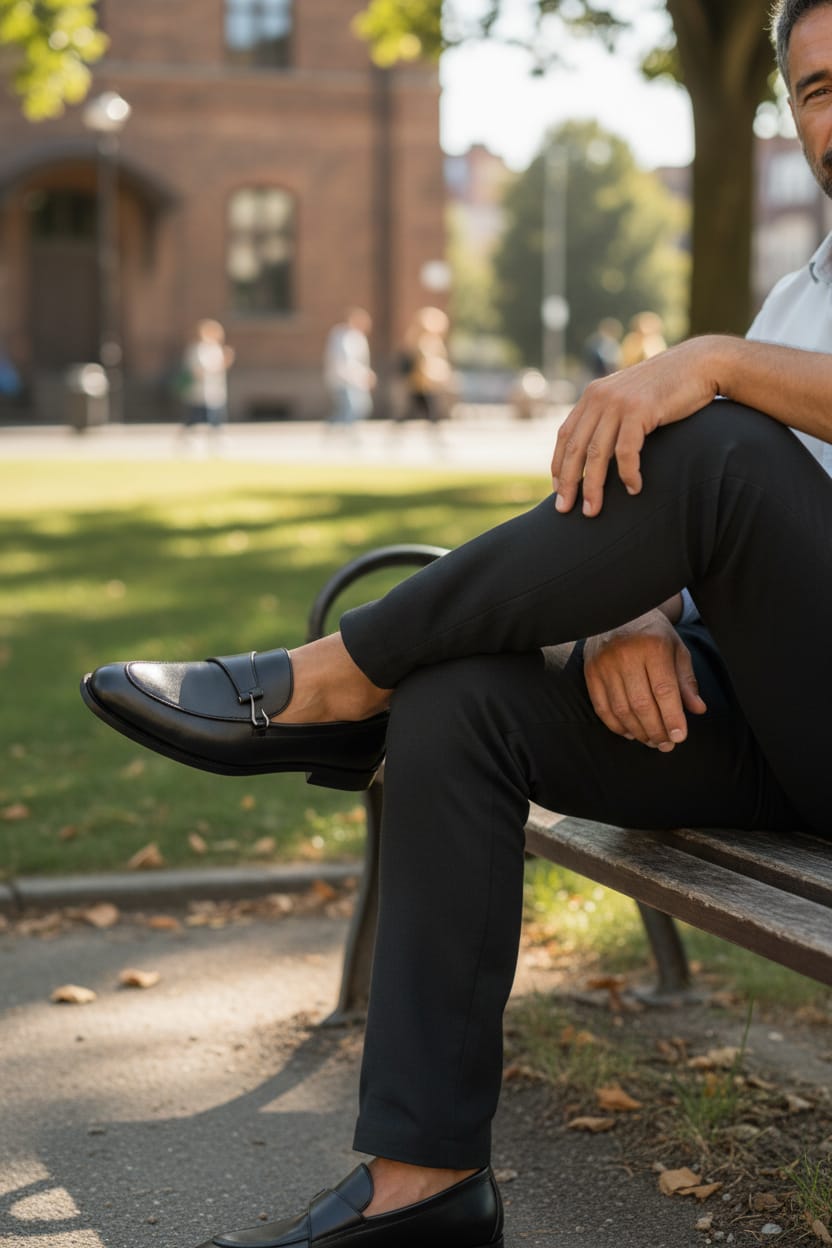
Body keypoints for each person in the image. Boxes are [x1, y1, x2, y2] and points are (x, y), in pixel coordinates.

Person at [80, 4, 832, 1245]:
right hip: (775, 715)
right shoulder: (797, 295)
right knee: (460, 704)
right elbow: (718, 545)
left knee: (722, 446)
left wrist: (710, 364)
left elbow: (737, 473)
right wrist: (629, 615)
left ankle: (329, 675)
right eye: (814, 88)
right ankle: (420, 1187)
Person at [397, 306, 453, 423]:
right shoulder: (421, 340)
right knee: (423, 404)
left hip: (427, 381)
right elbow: (424, 360)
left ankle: (428, 422)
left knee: (424, 404)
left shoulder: (431, 340)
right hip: (422, 380)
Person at [323, 307, 376, 426]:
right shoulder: (341, 336)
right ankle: (343, 431)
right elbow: (344, 361)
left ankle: (334, 426)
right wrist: (361, 376)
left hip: (357, 379)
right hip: (343, 379)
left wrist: (366, 375)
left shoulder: (359, 337)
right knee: (351, 407)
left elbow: (362, 361)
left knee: (360, 407)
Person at [180, 319, 235, 432]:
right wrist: (214, 369)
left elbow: (219, 368)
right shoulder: (197, 350)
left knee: (216, 415)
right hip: (201, 390)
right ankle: (188, 433)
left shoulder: (216, 349)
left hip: (215, 390)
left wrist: (226, 361)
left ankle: (216, 435)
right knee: (197, 415)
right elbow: (198, 370)